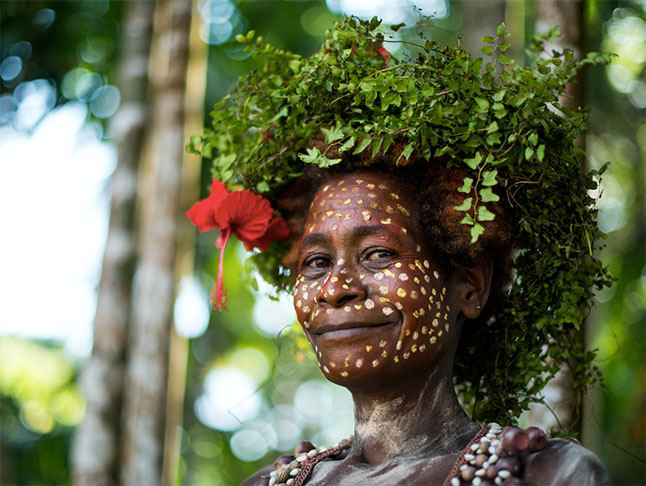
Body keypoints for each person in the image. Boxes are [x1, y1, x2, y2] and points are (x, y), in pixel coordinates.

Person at [186, 17, 613, 486]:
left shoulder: (547, 475)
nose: (335, 290)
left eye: (378, 254)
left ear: (469, 284)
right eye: (316, 262)